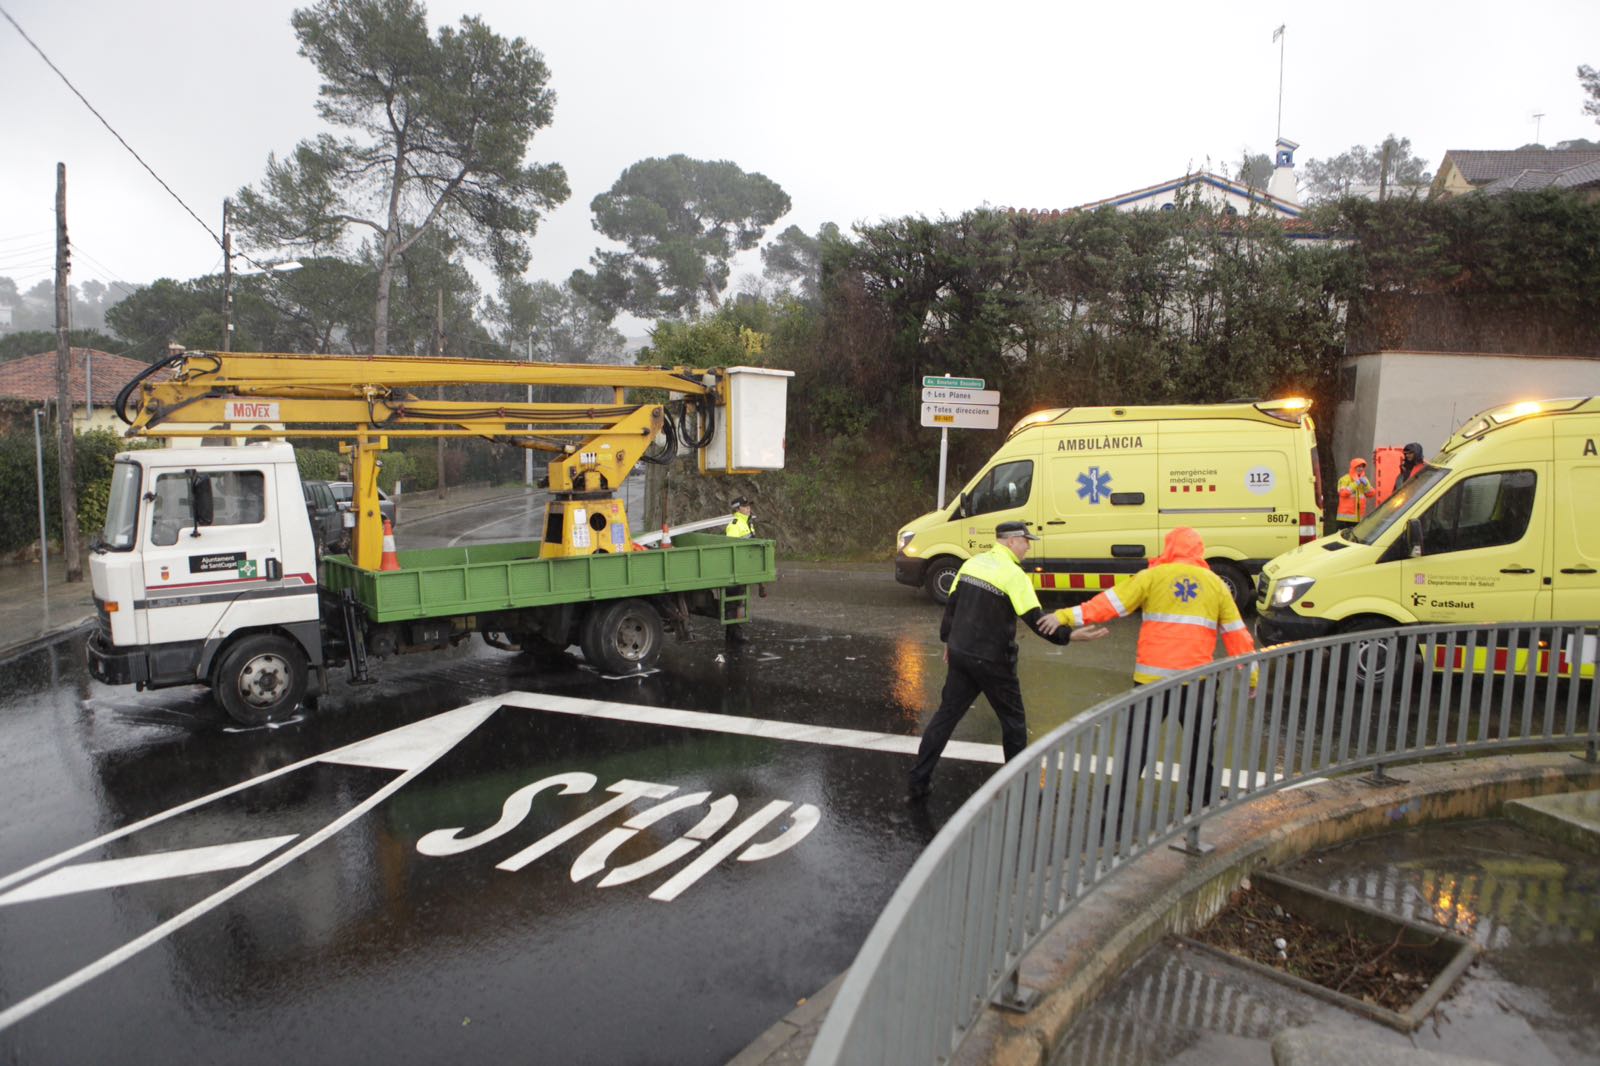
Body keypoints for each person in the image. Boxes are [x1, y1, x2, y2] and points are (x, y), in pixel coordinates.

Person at [1051, 528, 1257, 826]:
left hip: (1151, 682)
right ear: (1199, 551)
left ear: (1169, 548)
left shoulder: (1151, 577)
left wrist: (1064, 616)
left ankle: (1115, 805)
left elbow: (1107, 604)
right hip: (1197, 682)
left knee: (1137, 745)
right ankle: (1202, 800)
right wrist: (1251, 675)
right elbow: (1237, 634)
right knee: (1200, 745)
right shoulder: (1215, 584)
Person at [908, 521, 1109, 801]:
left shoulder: (972, 564)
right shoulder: (1014, 575)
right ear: (1012, 541)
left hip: (962, 654)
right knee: (1013, 724)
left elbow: (952, 608)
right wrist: (1070, 636)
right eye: (1026, 541)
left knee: (945, 718)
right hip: (994, 661)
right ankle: (1021, 788)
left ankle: (918, 781)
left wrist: (949, 643)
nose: (1028, 547)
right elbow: (1037, 621)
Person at [723, 497, 756, 642]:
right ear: (737, 509)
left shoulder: (747, 522)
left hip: (744, 567)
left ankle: (732, 634)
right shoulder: (734, 525)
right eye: (745, 506)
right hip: (736, 569)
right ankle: (735, 634)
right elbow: (732, 549)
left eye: (749, 506)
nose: (748, 508)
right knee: (733, 602)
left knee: (738, 601)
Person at [1336, 457, 1373, 527]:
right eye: (1358, 466)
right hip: (1345, 518)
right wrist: (1356, 483)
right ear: (1353, 467)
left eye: (1362, 467)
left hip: (1359, 518)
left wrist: (1367, 485)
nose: (1360, 469)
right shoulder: (1344, 479)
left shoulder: (1364, 479)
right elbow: (1343, 493)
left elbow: (1371, 494)